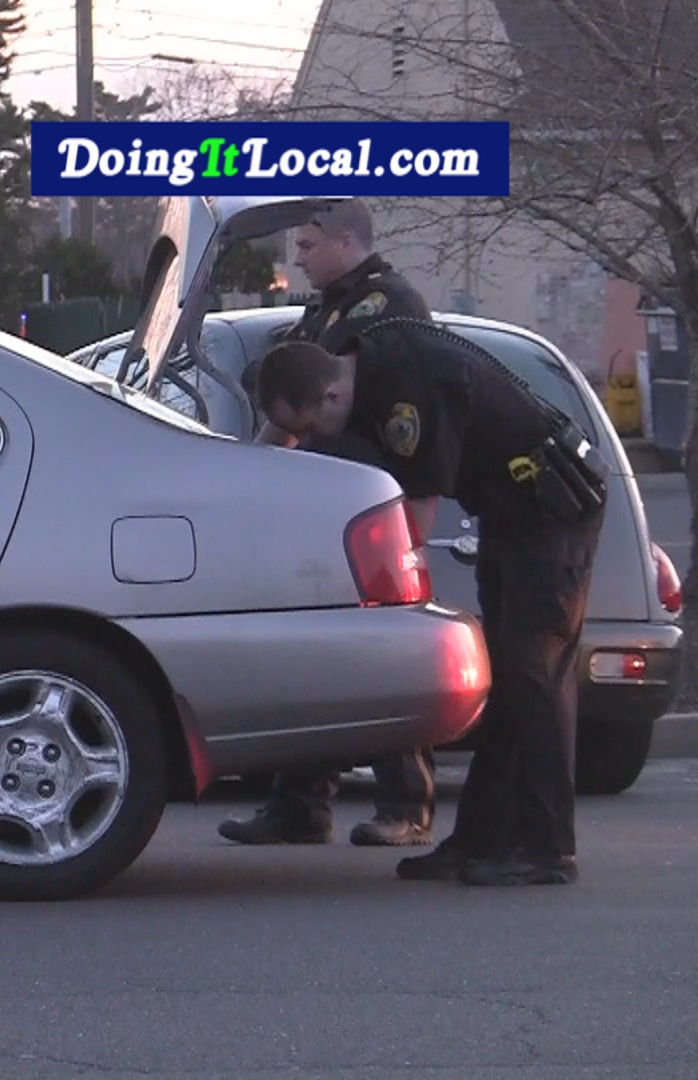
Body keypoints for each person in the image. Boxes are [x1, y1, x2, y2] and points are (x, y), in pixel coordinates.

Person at [255, 318, 606, 887]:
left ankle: (548, 847)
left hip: (553, 513)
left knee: (534, 673)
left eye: (312, 427)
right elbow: (286, 436)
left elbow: (416, 516)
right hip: (514, 514)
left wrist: (390, 598)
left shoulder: (407, 395)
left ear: (332, 395)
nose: (315, 439)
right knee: (509, 677)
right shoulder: (355, 367)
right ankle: (479, 840)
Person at [220, 198, 442, 850]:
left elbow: (415, 435)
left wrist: (411, 534)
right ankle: (299, 805)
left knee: (387, 659)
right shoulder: (328, 310)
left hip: (373, 516)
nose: (297, 257)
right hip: (324, 516)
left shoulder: (390, 310)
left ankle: (407, 805)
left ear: (345, 241)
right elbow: (292, 404)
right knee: (317, 659)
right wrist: (252, 468)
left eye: (308, 245)